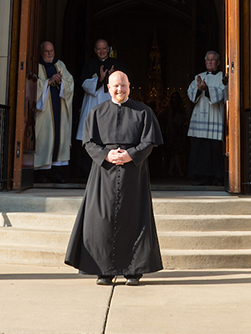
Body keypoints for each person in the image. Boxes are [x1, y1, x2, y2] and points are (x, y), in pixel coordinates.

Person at [65, 70, 164, 285]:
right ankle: (104, 271)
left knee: (134, 219)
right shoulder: (96, 112)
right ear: (109, 88)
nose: (120, 89)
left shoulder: (143, 112)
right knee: (101, 221)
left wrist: (131, 155)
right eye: (116, 86)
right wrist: (106, 155)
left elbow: (149, 142)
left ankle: (133, 271)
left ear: (130, 86)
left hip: (133, 173)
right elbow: (88, 142)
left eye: (124, 85)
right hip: (104, 172)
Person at [186, 50, 227, 186]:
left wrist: (207, 89)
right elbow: (190, 93)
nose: (210, 62)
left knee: (214, 148)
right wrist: (199, 89)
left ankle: (217, 177)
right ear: (205, 62)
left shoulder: (222, 77)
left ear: (218, 62)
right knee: (201, 149)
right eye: (208, 60)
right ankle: (200, 176)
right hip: (200, 117)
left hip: (215, 116)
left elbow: (223, 93)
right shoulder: (199, 76)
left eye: (213, 60)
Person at [34, 41, 74, 172]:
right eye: (46, 51)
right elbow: (33, 85)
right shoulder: (37, 66)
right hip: (44, 110)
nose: (49, 54)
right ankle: (42, 172)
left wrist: (61, 82)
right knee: (44, 138)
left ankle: (57, 172)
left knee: (59, 137)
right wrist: (48, 82)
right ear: (41, 52)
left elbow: (70, 82)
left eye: (51, 51)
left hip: (59, 107)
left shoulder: (60, 65)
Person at [75, 39, 121, 143]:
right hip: (93, 102)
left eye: (104, 48)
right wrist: (99, 80)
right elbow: (84, 83)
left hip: (111, 100)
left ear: (108, 49)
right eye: (99, 49)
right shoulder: (89, 64)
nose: (102, 51)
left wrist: (113, 77)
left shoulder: (116, 63)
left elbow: (123, 82)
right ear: (95, 50)